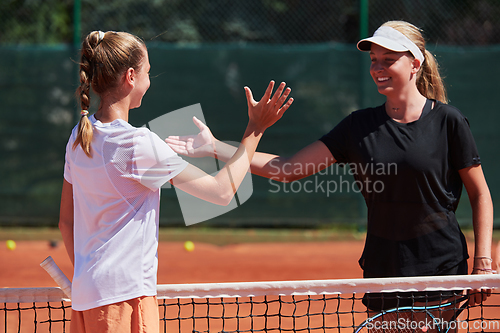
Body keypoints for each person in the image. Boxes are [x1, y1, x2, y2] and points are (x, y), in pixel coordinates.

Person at [166, 20, 494, 312]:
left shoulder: (448, 121)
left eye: (389, 60)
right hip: (383, 270)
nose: (378, 68)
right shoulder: (358, 126)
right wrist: (216, 148)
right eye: (374, 60)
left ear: (415, 64)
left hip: (440, 270)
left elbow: (480, 194)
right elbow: (287, 168)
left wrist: (483, 262)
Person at [58, 30, 293, 333]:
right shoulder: (137, 143)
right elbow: (222, 192)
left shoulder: (78, 137)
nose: (149, 80)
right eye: (148, 72)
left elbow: (66, 222)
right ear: (131, 76)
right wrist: (255, 128)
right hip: (126, 299)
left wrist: (89, 277)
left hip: (86, 298)